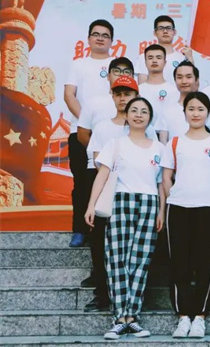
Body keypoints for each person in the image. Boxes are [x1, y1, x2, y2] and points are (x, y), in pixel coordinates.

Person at [84, 97, 165, 340]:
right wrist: (91, 205)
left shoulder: (159, 148)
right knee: (117, 258)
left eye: (144, 111)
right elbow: (102, 176)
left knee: (141, 260)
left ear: (150, 118)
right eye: (134, 110)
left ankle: (133, 317)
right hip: (121, 201)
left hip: (149, 203)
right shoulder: (115, 144)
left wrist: (162, 210)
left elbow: (161, 184)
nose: (139, 115)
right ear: (127, 116)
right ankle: (119, 318)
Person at [161, 92, 210, 338]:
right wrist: (174, 195)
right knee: (179, 262)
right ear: (184, 112)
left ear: (208, 112)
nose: (196, 113)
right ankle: (183, 316)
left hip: (209, 207)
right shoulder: (175, 142)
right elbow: (166, 177)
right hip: (178, 207)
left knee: (206, 262)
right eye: (191, 109)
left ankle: (200, 316)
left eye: (200, 109)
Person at [82, 75, 141, 313]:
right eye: (118, 94)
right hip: (107, 188)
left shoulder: (143, 125)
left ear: (136, 96)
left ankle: (131, 295)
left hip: (134, 191)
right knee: (100, 242)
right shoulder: (103, 127)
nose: (123, 98)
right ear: (112, 96)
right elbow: (98, 161)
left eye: (127, 94)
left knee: (131, 245)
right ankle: (102, 294)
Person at [64, 19, 115, 248]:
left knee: (111, 181)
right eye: (96, 34)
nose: (100, 38)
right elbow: (69, 95)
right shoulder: (79, 65)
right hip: (81, 132)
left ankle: (107, 228)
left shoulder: (117, 64)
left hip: (112, 133)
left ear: (112, 40)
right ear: (88, 39)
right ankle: (80, 229)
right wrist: (87, 122)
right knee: (83, 182)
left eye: (105, 35)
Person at [136, 15, 193, 84]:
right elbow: (142, 85)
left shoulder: (182, 58)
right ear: (155, 33)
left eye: (169, 28)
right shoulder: (145, 57)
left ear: (174, 32)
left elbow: (190, 82)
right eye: (161, 28)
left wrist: (190, 58)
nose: (165, 31)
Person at [157, 61, 200, 142]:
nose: (184, 81)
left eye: (188, 77)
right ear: (175, 80)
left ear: (196, 80)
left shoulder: (204, 107)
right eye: (179, 77)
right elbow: (163, 141)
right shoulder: (167, 108)